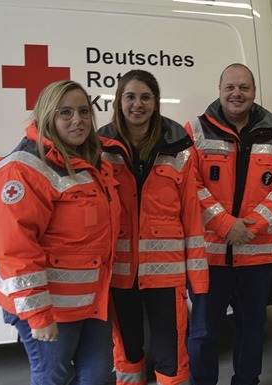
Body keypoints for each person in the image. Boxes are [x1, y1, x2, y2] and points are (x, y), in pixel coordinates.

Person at [0, 80, 121, 385]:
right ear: (48, 116)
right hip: (51, 307)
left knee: (97, 375)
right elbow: (16, 248)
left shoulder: (93, 162)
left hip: (92, 301)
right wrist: (39, 315)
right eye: (65, 112)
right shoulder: (24, 169)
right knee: (54, 377)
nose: (78, 120)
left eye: (83, 111)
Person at [184, 63, 272, 385]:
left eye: (244, 88)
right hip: (209, 257)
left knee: (252, 332)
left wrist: (253, 225)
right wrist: (223, 223)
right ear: (219, 91)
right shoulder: (194, 131)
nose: (237, 94)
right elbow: (188, 184)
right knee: (204, 333)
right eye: (230, 87)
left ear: (254, 92)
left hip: (256, 258)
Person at [97, 69, 208, 385]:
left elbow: (192, 217)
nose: (137, 104)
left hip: (166, 274)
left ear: (156, 102)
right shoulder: (99, 149)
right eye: (130, 97)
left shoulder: (178, 149)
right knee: (128, 354)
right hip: (120, 273)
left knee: (171, 358)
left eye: (145, 97)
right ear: (119, 101)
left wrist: (198, 282)